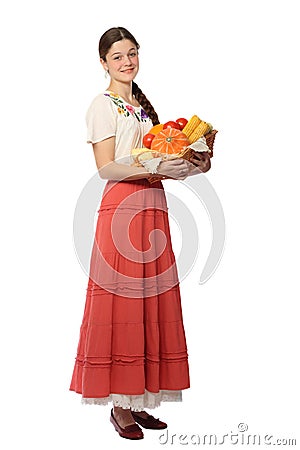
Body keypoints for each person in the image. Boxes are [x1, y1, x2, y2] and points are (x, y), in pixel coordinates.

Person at [69, 26, 211, 441]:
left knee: (150, 301)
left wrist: (192, 162)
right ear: (103, 63)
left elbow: (156, 155)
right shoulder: (103, 104)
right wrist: (155, 169)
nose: (127, 61)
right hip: (121, 211)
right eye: (117, 56)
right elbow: (107, 167)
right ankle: (119, 406)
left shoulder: (143, 108)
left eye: (132, 53)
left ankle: (141, 398)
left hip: (153, 209)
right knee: (123, 305)